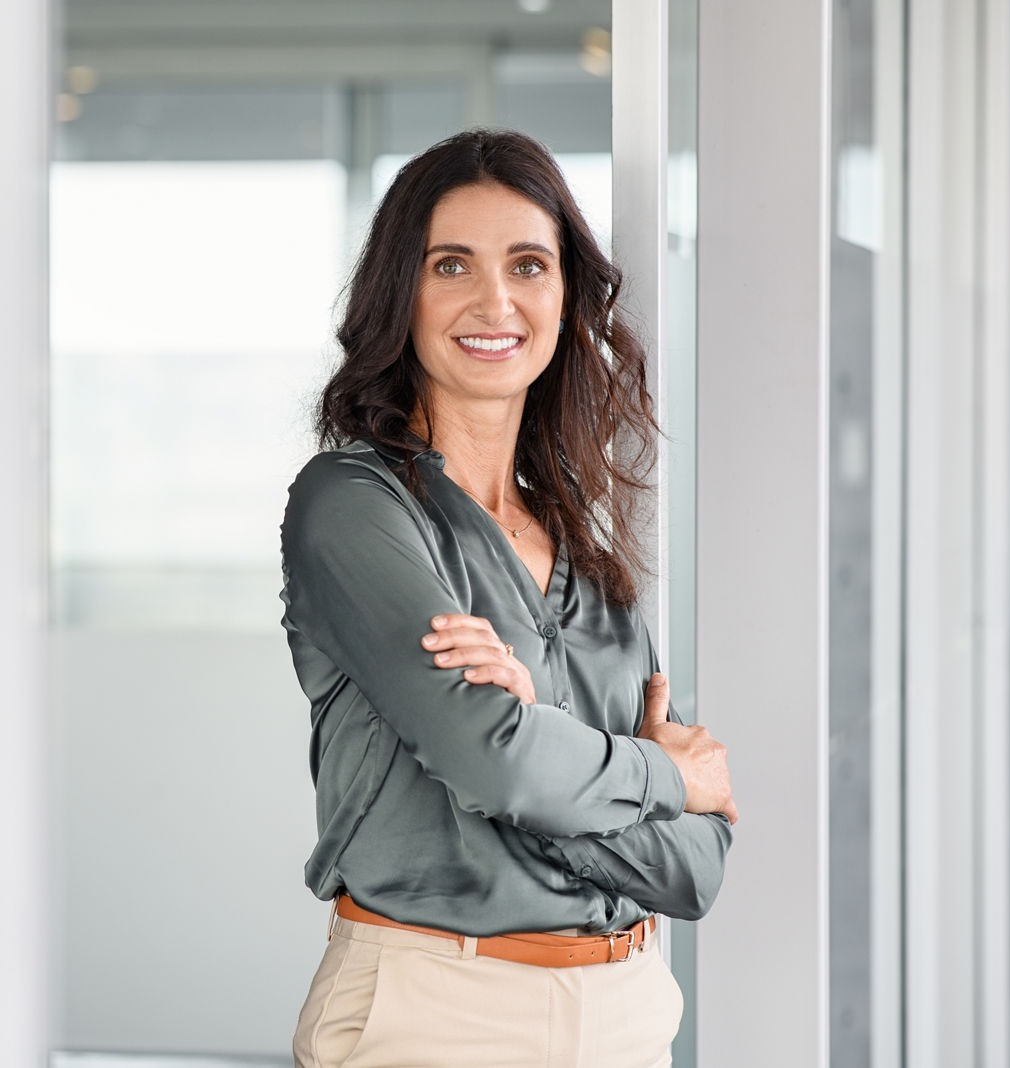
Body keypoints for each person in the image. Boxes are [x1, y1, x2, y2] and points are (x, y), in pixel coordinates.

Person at [277, 128, 738, 1068]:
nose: (495, 300)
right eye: (453, 265)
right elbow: (504, 771)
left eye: (529, 264)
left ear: (566, 300)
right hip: (442, 1012)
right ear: (399, 292)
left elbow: (696, 868)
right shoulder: (355, 506)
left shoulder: (588, 552)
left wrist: (543, 749)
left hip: (629, 1009)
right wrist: (660, 777)